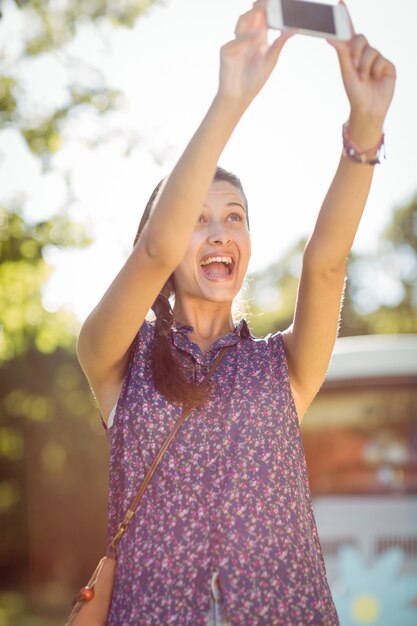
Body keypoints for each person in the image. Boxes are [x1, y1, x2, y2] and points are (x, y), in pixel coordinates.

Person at [76, 0, 396, 624]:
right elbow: (153, 249)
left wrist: (364, 129)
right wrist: (232, 100)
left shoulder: (282, 369)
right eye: (198, 219)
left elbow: (326, 264)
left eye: (234, 217)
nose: (219, 231)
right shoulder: (116, 355)